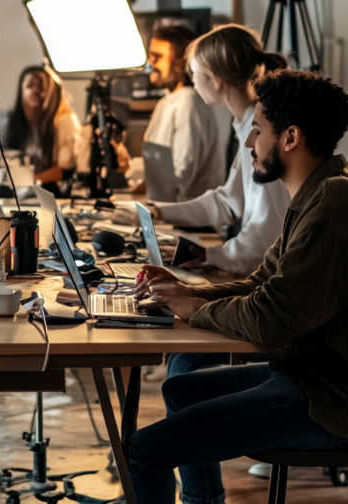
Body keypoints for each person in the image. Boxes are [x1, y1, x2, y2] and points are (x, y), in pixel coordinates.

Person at [128, 70, 348, 504]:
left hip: (329, 397)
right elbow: (259, 285)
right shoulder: (314, 195)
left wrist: (194, 308)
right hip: (305, 374)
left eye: (258, 130)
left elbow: (271, 318)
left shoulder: (332, 203)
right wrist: (186, 292)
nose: (249, 142)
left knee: (142, 452)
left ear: (290, 138)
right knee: (181, 391)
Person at [152, 24, 290, 277]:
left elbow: (266, 233)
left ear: (216, 81)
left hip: (272, 279)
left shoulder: (261, 133)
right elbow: (228, 202)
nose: (192, 82)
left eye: (194, 73)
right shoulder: (246, 124)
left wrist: (212, 256)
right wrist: (159, 212)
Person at [137, 24, 225, 201]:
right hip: (169, 210)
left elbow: (178, 177)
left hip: (189, 215)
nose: (150, 63)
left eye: (157, 57)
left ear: (179, 63)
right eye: (149, 56)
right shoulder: (166, 102)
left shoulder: (188, 102)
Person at [0, 65, 81, 195]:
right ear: (21, 90)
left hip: (50, 193)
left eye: (41, 87)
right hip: (18, 191)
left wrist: (27, 180)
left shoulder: (64, 122)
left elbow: (64, 170)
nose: (36, 91)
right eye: (30, 86)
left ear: (51, 90)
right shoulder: (10, 121)